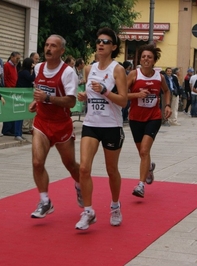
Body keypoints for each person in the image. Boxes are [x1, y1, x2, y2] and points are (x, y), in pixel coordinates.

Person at [75, 27, 128, 230]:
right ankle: (88, 211)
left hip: (111, 125)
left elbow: (123, 101)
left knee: (111, 170)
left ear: (113, 47)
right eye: (99, 41)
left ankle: (115, 206)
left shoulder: (117, 69)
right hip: (91, 124)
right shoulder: (89, 69)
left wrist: (105, 91)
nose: (101, 44)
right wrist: (85, 96)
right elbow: (91, 93)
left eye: (106, 41)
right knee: (84, 168)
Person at [28, 34, 81, 220]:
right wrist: (36, 102)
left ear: (62, 50)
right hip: (42, 122)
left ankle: (80, 184)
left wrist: (47, 99)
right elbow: (39, 91)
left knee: (70, 165)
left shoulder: (68, 72)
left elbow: (71, 102)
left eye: (53, 46)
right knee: (37, 162)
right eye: (46, 45)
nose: (48, 49)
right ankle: (45, 201)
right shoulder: (38, 68)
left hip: (61, 125)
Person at [127, 44, 172, 199]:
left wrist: (167, 105)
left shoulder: (160, 77)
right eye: (144, 56)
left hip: (153, 117)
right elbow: (122, 94)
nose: (146, 59)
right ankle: (149, 168)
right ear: (140, 59)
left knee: (145, 151)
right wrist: (136, 95)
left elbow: (166, 91)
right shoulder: (134, 75)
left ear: (154, 61)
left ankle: (140, 185)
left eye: (149, 57)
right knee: (142, 152)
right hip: (135, 118)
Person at [14, 57, 35, 141]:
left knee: (22, 114)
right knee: (19, 114)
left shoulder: (25, 72)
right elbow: (32, 78)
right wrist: (34, 70)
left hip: (24, 95)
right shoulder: (24, 72)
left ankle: (19, 133)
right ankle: (17, 133)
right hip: (20, 95)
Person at [2, 52, 21, 136]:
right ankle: (6, 129)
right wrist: (8, 88)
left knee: (13, 110)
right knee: (8, 110)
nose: (18, 60)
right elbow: (5, 78)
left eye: (19, 59)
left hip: (14, 90)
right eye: (17, 58)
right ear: (12, 57)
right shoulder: (7, 66)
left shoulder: (14, 66)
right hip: (9, 90)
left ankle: (12, 129)